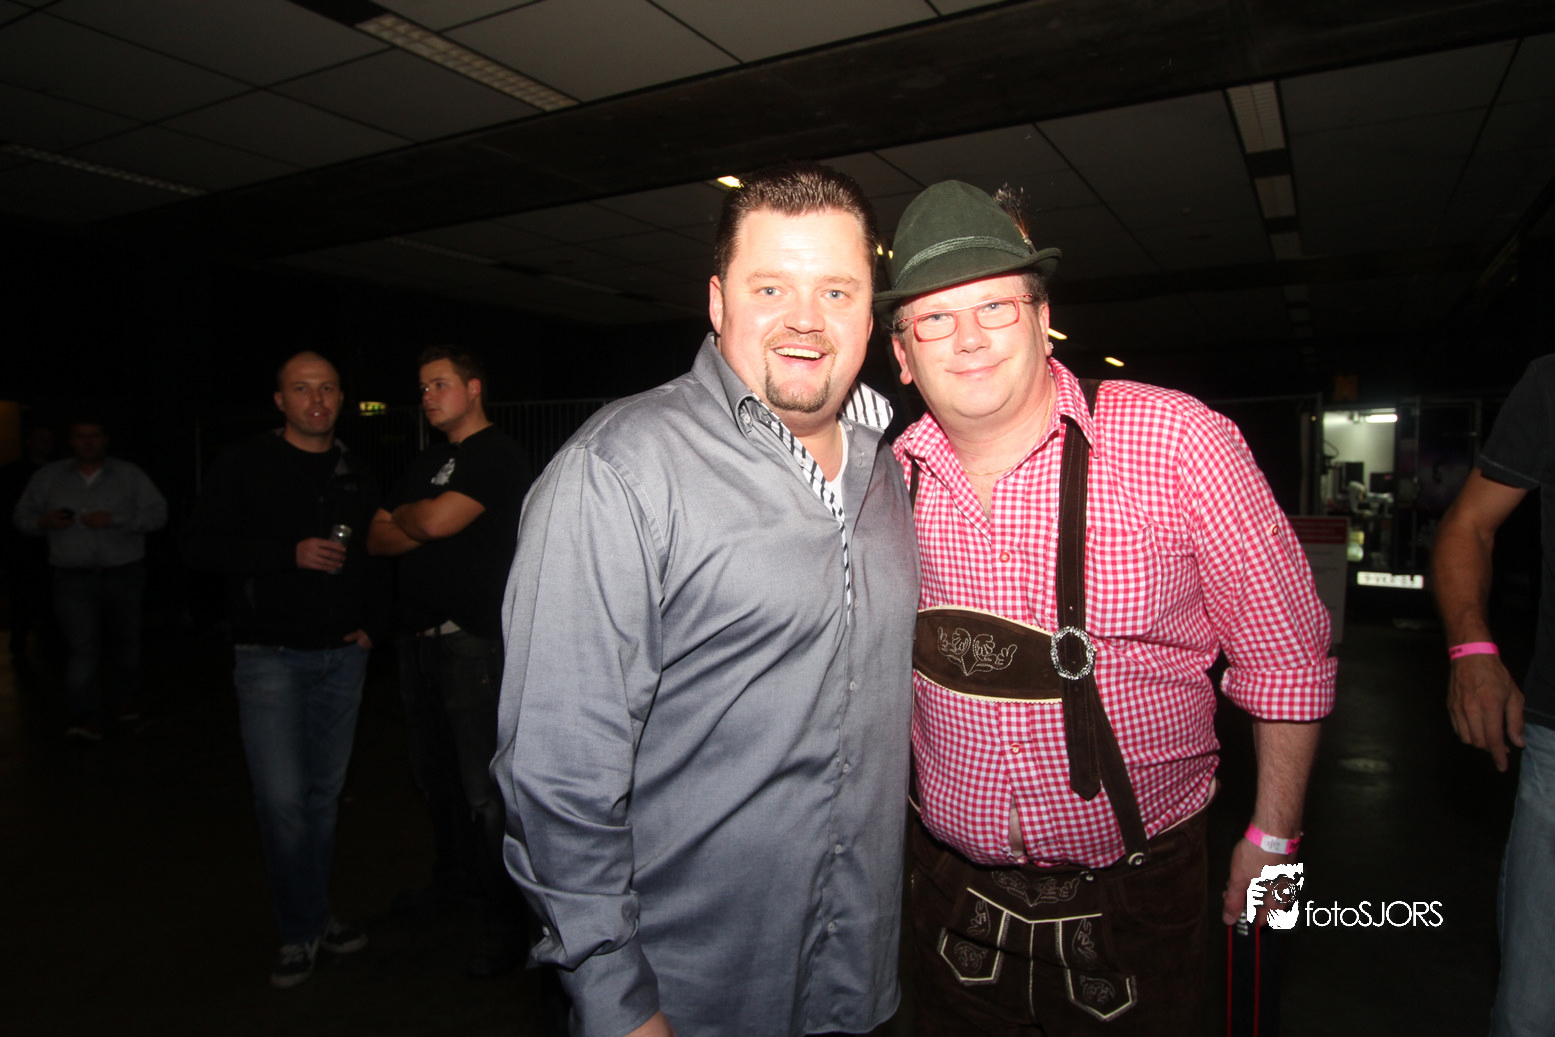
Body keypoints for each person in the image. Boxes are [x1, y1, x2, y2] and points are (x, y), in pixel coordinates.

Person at [879, 181, 1336, 1035]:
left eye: (994, 306)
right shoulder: (881, 483)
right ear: (901, 353)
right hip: (944, 895)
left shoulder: (1178, 441)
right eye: (933, 318)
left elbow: (1286, 658)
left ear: (1042, 317)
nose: (968, 337)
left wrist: (1274, 842)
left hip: (1137, 895)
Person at [492, 162, 919, 1037]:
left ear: (869, 316)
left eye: (836, 291)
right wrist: (616, 1000)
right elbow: (557, 776)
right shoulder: (617, 472)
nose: (805, 319)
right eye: (771, 287)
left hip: (855, 977)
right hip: (690, 995)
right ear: (719, 302)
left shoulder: (892, 473)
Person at [183, 351, 384, 989]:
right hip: (268, 656)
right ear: (280, 401)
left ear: (341, 397)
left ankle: (314, 919)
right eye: (302, 389)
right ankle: (300, 929)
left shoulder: (355, 470)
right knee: (282, 804)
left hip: (342, 658)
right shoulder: (244, 464)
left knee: (322, 801)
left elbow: (378, 555)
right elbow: (199, 546)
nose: (316, 400)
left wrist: (371, 624)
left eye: (327, 388)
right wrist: (286, 553)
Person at [367, 345, 535, 977]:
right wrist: (418, 519)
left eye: (439, 384)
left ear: (474, 388)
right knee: (434, 779)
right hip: (417, 642)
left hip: (472, 643)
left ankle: (508, 922)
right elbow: (376, 536)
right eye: (422, 388)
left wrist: (411, 518)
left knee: (484, 791)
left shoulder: (497, 456)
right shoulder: (426, 460)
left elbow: (433, 524)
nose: (428, 397)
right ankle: (456, 883)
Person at [1432, 353, 1555, 1037]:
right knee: (1530, 1012)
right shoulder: (1550, 383)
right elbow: (1469, 524)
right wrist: (1472, 650)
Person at [13, 419, 166, 740]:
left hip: (122, 573)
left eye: (94, 436)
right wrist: (44, 522)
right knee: (82, 648)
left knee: (126, 642)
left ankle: (126, 701)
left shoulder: (129, 475)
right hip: (73, 577)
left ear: (105, 439)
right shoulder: (48, 477)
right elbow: (21, 518)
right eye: (80, 437)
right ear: (70, 441)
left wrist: (116, 520)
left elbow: (158, 515)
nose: (87, 443)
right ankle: (85, 717)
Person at [2, 423, 57, 661]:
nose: (45, 443)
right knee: (23, 595)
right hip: (23, 546)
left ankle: (52, 643)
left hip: (56, 544)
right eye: (40, 438)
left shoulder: (62, 473)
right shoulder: (12, 473)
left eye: (49, 438)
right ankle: (20, 641)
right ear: (29, 442)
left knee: (54, 595)